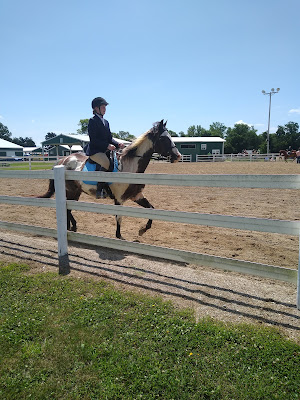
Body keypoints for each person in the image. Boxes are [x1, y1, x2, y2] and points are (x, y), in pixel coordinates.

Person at [85, 97, 124, 198]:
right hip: (95, 151)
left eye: (105, 107)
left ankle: (109, 186)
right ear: (96, 108)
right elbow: (94, 140)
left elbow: (110, 138)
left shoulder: (106, 122)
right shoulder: (92, 121)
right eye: (102, 107)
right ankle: (99, 189)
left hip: (104, 150)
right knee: (106, 162)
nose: (104, 109)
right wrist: (107, 145)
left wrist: (117, 144)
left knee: (115, 162)